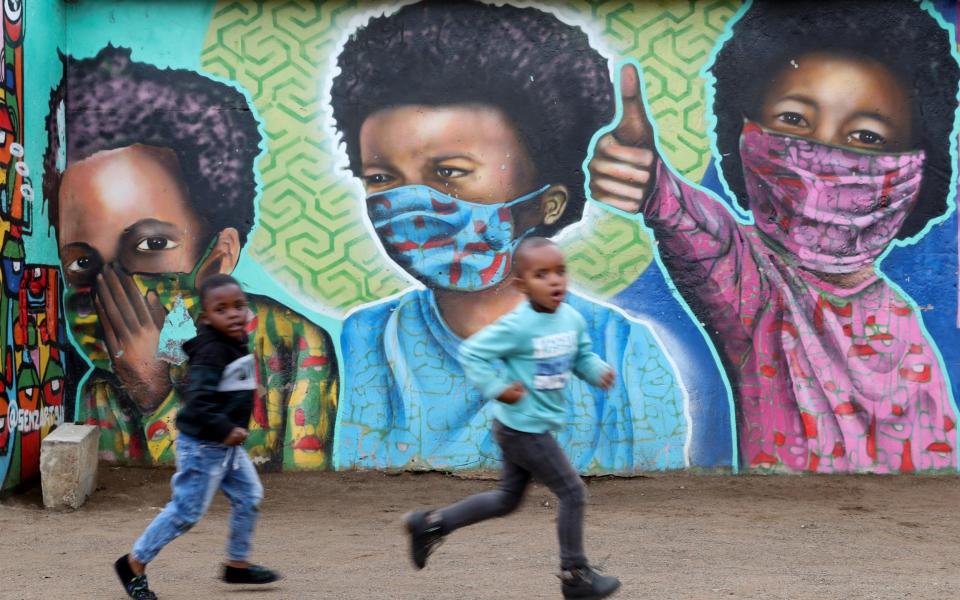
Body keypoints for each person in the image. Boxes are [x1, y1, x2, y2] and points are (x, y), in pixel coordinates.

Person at [586, 0, 960, 472]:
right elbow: (698, 231)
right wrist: (651, 183)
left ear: (917, 167)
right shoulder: (754, 286)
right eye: (794, 120)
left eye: (866, 137)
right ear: (742, 132)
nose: (823, 158)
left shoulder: (902, 319)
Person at [331, 0, 687, 474]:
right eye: (381, 178)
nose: (411, 203)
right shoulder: (369, 339)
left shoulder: (621, 351)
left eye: (449, 172)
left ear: (549, 201)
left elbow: (652, 493)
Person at [42, 46, 339, 470]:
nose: (112, 289)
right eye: (83, 263)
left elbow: (299, 491)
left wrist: (157, 396)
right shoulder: (102, 389)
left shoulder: (290, 345)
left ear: (218, 259)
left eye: (152, 246)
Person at [404, 237, 621, 600]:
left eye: (560, 272)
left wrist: (597, 370)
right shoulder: (517, 326)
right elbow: (474, 353)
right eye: (542, 274)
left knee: (507, 499)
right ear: (522, 285)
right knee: (572, 491)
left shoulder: (571, 319)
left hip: (524, 427)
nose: (555, 281)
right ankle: (575, 575)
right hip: (523, 429)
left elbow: (580, 355)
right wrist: (499, 386)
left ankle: (429, 525)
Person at [113, 274, 280, 600]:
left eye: (238, 307)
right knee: (186, 512)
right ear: (206, 318)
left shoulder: (234, 343)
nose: (233, 314)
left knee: (249, 495)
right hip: (204, 446)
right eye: (222, 309)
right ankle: (133, 563)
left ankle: (237, 564)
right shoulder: (211, 353)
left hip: (225, 448)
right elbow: (198, 401)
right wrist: (225, 428)